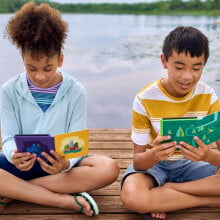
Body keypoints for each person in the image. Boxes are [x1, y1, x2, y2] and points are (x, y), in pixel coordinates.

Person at [0, 2, 119, 216]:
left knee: (109, 168)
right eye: (31, 68)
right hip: (21, 164)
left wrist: (65, 163)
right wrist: (13, 153)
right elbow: (8, 138)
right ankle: (63, 201)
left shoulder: (75, 90)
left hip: (60, 166)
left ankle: (16, 190)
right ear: (22, 60)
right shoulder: (8, 90)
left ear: (60, 59)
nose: (40, 76)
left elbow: (76, 142)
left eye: (48, 67)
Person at [120, 26, 220, 219]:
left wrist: (207, 155)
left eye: (197, 68)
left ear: (204, 65)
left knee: (144, 200)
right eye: (179, 67)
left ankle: (169, 192)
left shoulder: (208, 96)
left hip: (194, 165)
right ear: (164, 61)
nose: (187, 77)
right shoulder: (145, 98)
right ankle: (208, 199)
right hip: (155, 166)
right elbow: (139, 162)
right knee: (132, 197)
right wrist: (154, 155)